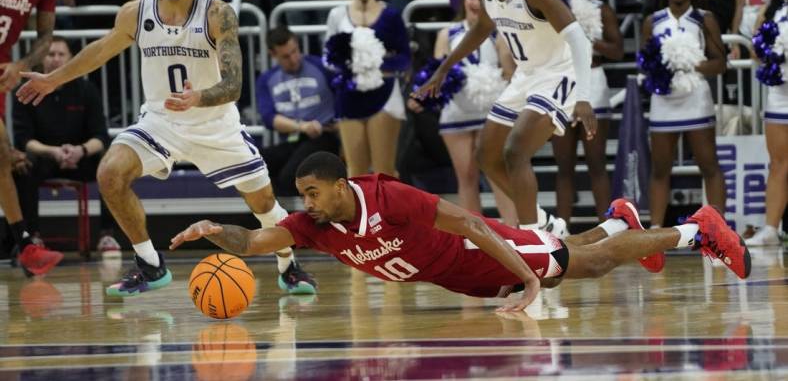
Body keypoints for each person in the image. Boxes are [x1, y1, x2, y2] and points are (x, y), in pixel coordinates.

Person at [16, 0, 316, 296]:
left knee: (265, 205)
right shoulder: (135, 12)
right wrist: (52, 79)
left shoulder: (217, 12)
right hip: (160, 122)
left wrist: (198, 97)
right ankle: (150, 264)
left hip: (214, 125)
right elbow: (100, 50)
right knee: (110, 173)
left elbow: (234, 84)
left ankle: (289, 264)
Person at [170, 151, 752, 311]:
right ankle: (615, 223)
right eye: (305, 197)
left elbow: (473, 223)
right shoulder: (312, 227)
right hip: (464, 278)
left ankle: (694, 231)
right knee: (559, 261)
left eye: (316, 192)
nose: (309, 204)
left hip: (481, 254)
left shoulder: (390, 198)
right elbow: (251, 242)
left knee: (579, 268)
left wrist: (524, 282)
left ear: (342, 185)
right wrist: (212, 229)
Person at [414, 0, 597, 235]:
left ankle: (532, 237)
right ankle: (543, 221)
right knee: (486, 155)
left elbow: (578, 39)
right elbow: (483, 28)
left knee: (515, 151)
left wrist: (584, 98)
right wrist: (443, 68)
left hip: (558, 74)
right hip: (526, 75)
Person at [640, 0, 727, 231]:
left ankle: (717, 229)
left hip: (695, 98)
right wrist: (660, 70)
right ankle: (655, 228)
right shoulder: (651, 21)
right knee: (660, 168)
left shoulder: (705, 19)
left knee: (708, 163)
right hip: (663, 99)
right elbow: (643, 62)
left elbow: (720, 63)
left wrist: (690, 64)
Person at [12, 37, 120, 255]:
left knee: (110, 162)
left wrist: (80, 151)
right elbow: (24, 140)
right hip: (44, 157)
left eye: (61, 54)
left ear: (71, 59)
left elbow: (100, 136)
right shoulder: (26, 90)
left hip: (81, 158)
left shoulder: (86, 89)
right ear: (42, 60)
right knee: (22, 164)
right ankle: (32, 237)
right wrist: (53, 152)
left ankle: (107, 235)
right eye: (50, 54)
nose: (56, 59)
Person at [543, 0, 623, 227]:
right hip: (562, 85)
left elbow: (618, 51)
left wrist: (588, 40)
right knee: (564, 166)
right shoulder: (548, 10)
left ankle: (607, 227)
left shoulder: (601, 8)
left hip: (594, 81)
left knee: (596, 163)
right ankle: (561, 229)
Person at [428, 0, 518, 225]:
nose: (475, 2)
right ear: (462, 1)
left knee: (496, 173)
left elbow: (509, 72)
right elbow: (437, 69)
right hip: (456, 111)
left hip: (490, 112)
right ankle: (475, 238)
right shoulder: (447, 33)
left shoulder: (498, 33)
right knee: (466, 176)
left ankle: (515, 232)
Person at [0, 0, 63, 276]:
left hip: (3, 67)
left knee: (2, 156)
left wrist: (21, 62)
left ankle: (24, 243)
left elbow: (44, 38)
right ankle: (24, 242)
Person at [325, 0, 411, 177]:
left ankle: (389, 213)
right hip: (349, 94)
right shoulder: (336, 14)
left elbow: (405, 57)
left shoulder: (391, 15)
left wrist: (376, 63)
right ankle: (362, 213)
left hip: (385, 93)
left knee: (385, 172)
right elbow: (328, 56)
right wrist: (350, 64)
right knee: (355, 173)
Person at [256, 26, 340, 196]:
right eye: (286, 56)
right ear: (273, 55)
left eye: (295, 51)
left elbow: (343, 95)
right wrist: (302, 126)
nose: (294, 59)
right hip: (294, 138)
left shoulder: (321, 67)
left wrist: (341, 124)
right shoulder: (267, 79)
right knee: (257, 164)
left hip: (324, 136)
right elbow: (269, 118)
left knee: (289, 176)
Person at [746, 0, 788, 245]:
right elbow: (754, 49)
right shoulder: (772, 9)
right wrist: (770, 55)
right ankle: (771, 229)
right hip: (779, 96)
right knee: (778, 163)